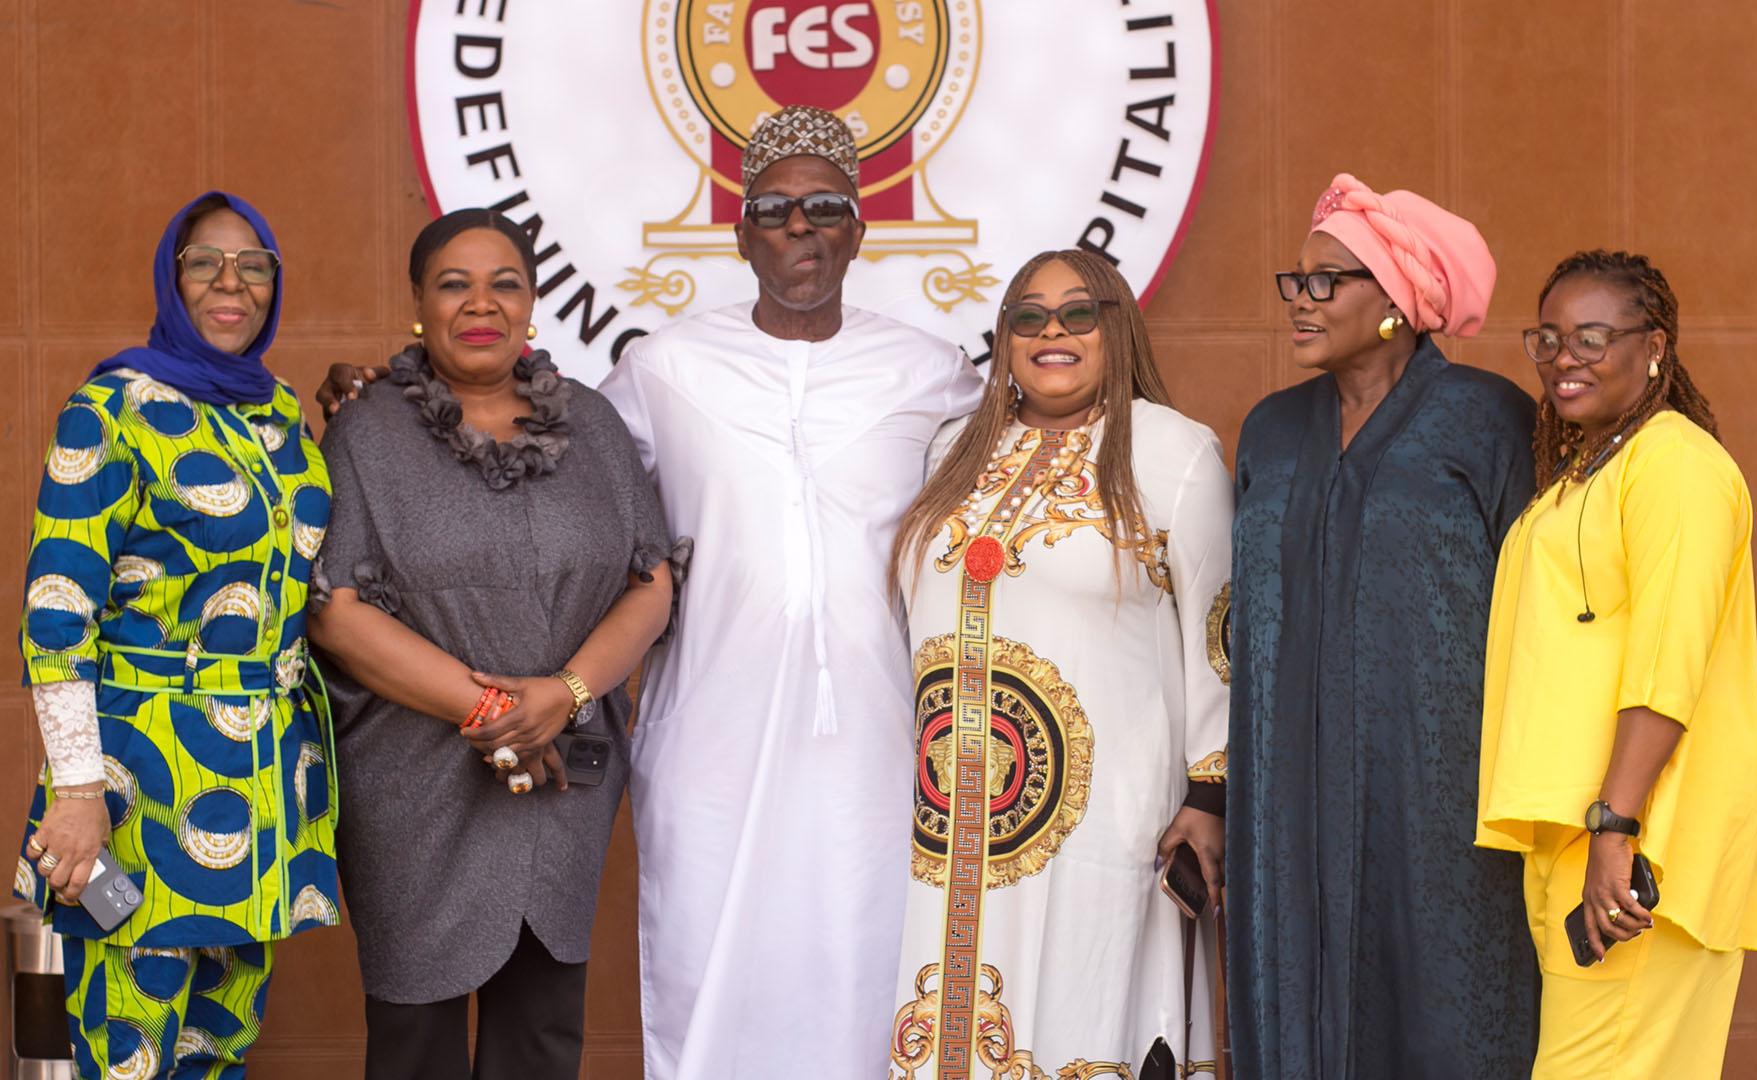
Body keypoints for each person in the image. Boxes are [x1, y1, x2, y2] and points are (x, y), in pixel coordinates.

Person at [321, 105, 985, 1077]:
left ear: (861, 227)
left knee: (871, 966)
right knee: (708, 969)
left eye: (826, 207)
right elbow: (519, 468)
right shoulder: (663, 369)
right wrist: (383, 391)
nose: (801, 228)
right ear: (741, 231)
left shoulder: (932, 372)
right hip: (710, 741)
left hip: (876, 749)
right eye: (775, 209)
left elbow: (1029, 468)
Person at [306, 209, 672, 1079]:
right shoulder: (367, 431)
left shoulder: (592, 424)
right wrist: (498, 710)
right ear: (419, 306)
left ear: (533, 301)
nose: (482, 302)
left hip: (564, 778)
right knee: (415, 1043)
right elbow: (333, 608)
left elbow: (651, 581)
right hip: (414, 785)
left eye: (504, 282)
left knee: (541, 1039)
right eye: (453, 283)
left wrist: (566, 697)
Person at [13, 191, 339, 1078]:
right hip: (136, 788)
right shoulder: (109, 410)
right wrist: (77, 793)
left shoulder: (280, 417)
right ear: (172, 275)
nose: (231, 283)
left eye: (254, 265)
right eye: (205, 262)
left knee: (219, 1046)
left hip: (264, 786)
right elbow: (54, 612)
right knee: (129, 1050)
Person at [886, 250, 1231, 1078]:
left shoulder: (1171, 453)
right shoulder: (952, 454)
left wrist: (1210, 795)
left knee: (1086, 1010)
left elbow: (1223, 633)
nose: (1053, 332)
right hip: (952, 827)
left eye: (1079, 314)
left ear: (1118, 329)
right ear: (1003, 340)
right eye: (1028, 317)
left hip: (1106, 824)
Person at [1226, 173, 1540, 1078]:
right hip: (1284, 793)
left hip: (1442, 793)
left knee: (1447, 998)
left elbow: (1539, 617)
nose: (1301, 299)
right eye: (1296, 279)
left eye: (1329, 280)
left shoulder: (1489, 420)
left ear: (1400, 302)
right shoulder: (1271, 432)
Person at [1477, 251, 1757, 1078]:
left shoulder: (1675, 462)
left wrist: (1617, 827)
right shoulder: (1584, 471)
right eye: (1547, 337)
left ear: (1655, 348)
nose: (1563, 356)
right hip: (1582, 834)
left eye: (1591, 336)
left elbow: (1668, 663)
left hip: (1647, 835)